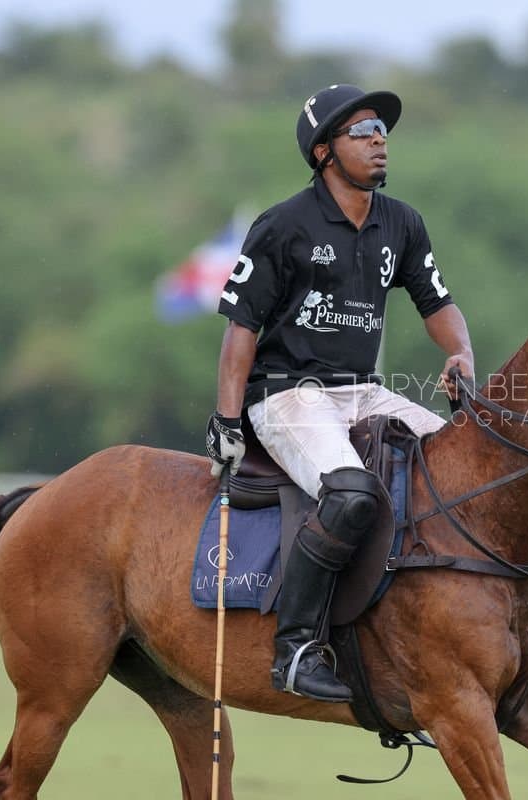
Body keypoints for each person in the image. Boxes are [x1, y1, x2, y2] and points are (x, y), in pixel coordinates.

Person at [201, 84, 475, 703]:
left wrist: (460, 352)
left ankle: (481, 623)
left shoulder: (401, 222)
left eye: (383, 129)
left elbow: (437, 303)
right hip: (287, 395)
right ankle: (296, 647)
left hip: (363, 391)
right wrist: (227, 419)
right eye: (363, 130)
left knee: (468, 459)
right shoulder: (282, 225)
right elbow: (241, 330)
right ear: (324, 151)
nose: (380, 140)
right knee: (351, 495)